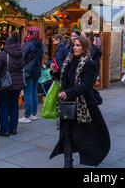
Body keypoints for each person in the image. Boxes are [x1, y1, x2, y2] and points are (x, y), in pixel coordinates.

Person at [50, 36, 110, 168]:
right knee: (66, 133)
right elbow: (64, 79)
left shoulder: (89, 63)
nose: (75, 48)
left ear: (84, 47)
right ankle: (68, 162)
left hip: (84, 105)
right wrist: (54, 72)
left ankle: (92, 154)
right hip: (66, 104)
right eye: (74, 45)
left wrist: (69, 93)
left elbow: (86, 85)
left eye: (78, 45)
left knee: (87, 134)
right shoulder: (68, 61)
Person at [0, 32, 25, 136]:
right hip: (18, 83)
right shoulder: (21, 53)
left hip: (5, 84)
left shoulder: (3, 54)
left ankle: (5, 130)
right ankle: (13, 128)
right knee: (14, 105)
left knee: (3, 106)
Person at [20, 27, 44, 124]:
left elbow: (23, 56)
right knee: (34, 91)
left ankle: (27, 116)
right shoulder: (40, 44)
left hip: (28, 71)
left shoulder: (28, 43)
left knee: (28, 92)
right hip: (37, 70)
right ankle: (33, 114)